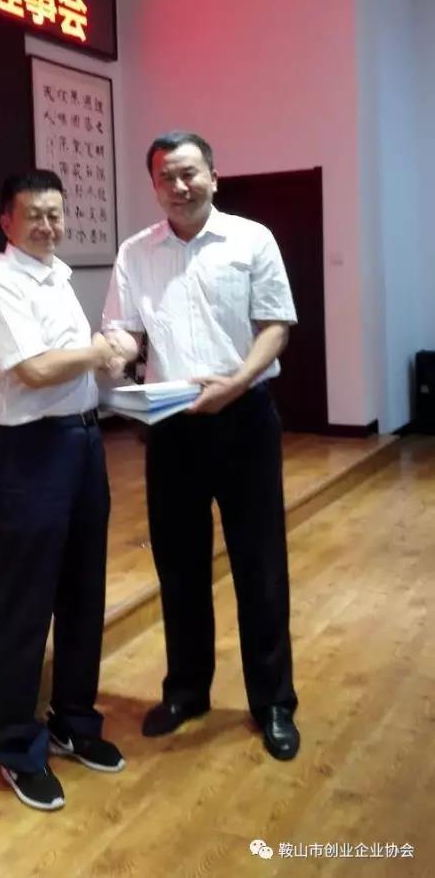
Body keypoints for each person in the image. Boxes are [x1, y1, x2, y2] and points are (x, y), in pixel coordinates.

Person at [102, 132, 300, 760]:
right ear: (154, 186)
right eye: (166, 177)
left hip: (243, 417)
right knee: (179, 567)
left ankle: (273, 702)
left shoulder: (251, 239)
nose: (179, 186)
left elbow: (276, 325)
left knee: (259, 566)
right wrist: (115, 356)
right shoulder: (135, 253)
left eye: (189, 173)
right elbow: (125, 331)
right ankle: (187, 691)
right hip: (170, 426)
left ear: (214, 175)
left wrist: (237, 382)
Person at [0, 169, 125, 813]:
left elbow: (71, 363)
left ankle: (74, 720)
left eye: (56, 214)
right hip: (27, 452)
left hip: (83, 442)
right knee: (26, 602)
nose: (48, 225)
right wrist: (100, 350)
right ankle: (16, 747)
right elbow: (33, 369)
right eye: (34, 214)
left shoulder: (57, 275)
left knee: (84, 591)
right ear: (6, 221)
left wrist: (107, 362)